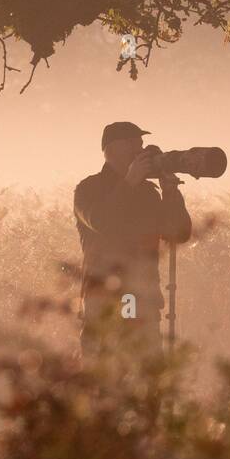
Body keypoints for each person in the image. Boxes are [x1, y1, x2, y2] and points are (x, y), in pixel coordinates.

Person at [74, 121, 191, 359]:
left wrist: (171, 193)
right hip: (104, 300)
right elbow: (101, 222)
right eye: (131, 144)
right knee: (103, 376)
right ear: (110, 150)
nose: (139, 150)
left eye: (140, 144)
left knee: (145, 379)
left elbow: (178, 234)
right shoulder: (88, 189)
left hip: (142, 298)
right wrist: (129, 182)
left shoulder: (147, 193)